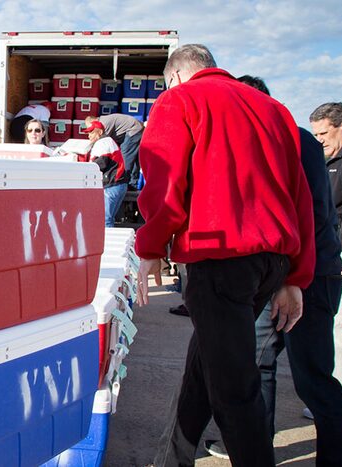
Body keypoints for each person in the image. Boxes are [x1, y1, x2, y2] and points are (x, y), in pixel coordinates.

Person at [135, 44, 315, 467]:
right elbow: (299, 196)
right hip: (271, 260)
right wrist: (295, 276)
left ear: (176, 76)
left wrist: (150, 246)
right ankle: (172, 459)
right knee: (206, 367)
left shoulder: (178, 99)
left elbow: (165, 181)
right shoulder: (274, 110)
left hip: (218, 256)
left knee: (234, 390)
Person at [187, 76, 342, 465]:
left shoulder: (286, 141)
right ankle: (260, 448)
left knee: (299, 374)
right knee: (281, 369)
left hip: (302, 275)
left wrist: (291, 278)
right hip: (300, 272)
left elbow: (307, 214)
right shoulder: (293, 141)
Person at [310, 102, 342, 420]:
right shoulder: (330, 158)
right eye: (315, 134)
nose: (320, 140)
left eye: (324, 133)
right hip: (335, 251)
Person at [82, 119, 128, 227]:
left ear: (100, 132)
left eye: (92, 132)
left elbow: (100, 164)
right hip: (118, 184)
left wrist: (83, 169)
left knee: (105, 220)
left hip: (112, 185)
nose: (89, 136)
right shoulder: (108, 141)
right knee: (108, 219)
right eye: (88, 133)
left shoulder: (102, 142)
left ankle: (106, 243)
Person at [85, 114, 143, 190]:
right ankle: (133, 184)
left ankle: (125, 182)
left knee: (126, 157)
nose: (90, 133)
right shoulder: (103, 121)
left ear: (94, 122)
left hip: (133, 130)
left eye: (91, 130)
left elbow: (102, 140)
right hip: (135, 128)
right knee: (133, 158)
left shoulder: (104, 124)